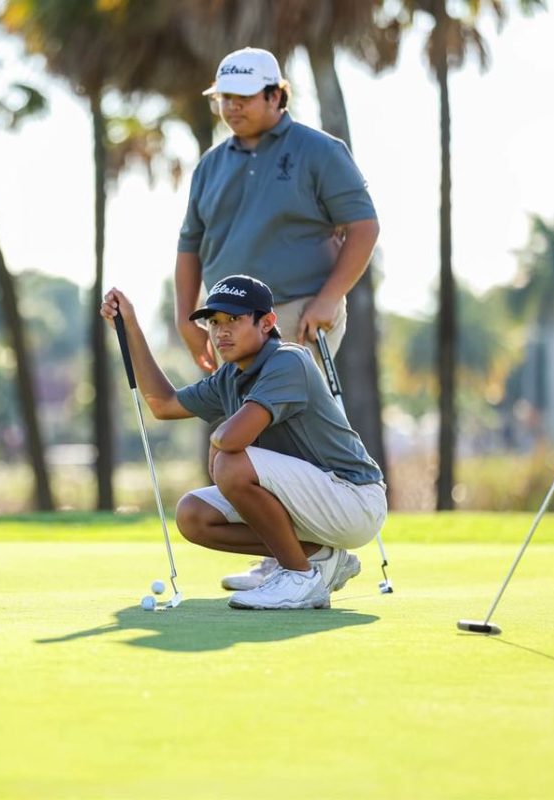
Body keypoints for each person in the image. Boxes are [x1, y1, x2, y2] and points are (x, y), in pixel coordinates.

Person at [175, 47, 381, 591]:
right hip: (228, 318)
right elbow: (190, 246)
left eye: (244, 98)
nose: (232, 108)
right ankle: (292, 553)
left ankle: (306, 562)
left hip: (295, 310)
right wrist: (184, 316)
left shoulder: (318, 150)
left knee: (268, 435)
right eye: (224, 98)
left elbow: (362, 226)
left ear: (275, 96)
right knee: (248, 442)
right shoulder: (210, 164)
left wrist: (330, 296)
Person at [101, 275, 387, 610]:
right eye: (214, 322)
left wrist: (217, 443)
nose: (221, 331)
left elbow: (232, 440)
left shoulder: (289, 361)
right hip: (314, 501)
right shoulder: (230, 375)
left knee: (231, 462)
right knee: (194, 515)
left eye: (233, 320)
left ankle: (299, 577)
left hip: (354, 500)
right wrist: (132, 327)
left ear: (267, 323)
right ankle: (316, 556)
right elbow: (163, 405)